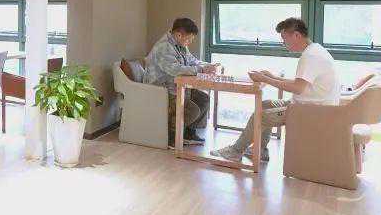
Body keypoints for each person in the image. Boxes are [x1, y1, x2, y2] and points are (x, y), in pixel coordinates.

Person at [211, 17, 339, 162]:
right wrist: (273, 77)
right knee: (264, 105)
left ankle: (235, 151)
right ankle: (260, 150)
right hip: (309, 105)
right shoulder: (315, 50)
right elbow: (301, 83)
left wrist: (265, 79)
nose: (284, 43)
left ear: (296, 35)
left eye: (285, 39)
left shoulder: (311, 56)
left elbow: (297, 88)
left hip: (311, 111)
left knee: (260, 116)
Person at [144, 17, 218, 147]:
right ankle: (172, 137)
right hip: (161, 90)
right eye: (189, 39)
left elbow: (192, 61)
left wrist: (208, 66)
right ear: (179, 35)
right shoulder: (163, 47)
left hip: (176, 87)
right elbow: (175, 69)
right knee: (192, 110)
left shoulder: (180, 45)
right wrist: (201, 70)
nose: (190, 42)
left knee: (204, 99)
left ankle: (188, 133)